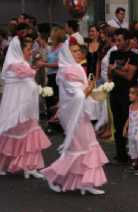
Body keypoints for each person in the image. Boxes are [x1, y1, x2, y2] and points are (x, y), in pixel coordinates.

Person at [41, 37, 109, 194]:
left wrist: (93, 91)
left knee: (87, 146)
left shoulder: (73, 67)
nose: (78, 53)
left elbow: (79, 94)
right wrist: (90, 89)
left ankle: (85, 183)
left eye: (79, 50)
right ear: (66, 53)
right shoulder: (68, 70)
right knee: (78, 149)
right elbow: (78, 95)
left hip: (79, 113)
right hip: (74, 115)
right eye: (74, 51)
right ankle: (52, 175)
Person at [0, 36, 51, 178]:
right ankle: (20, 166)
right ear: (19, 50)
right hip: (19, 108)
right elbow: (27, 75)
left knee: (28, 136)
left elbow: (28, 80)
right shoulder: (16, 65)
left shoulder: (20, 64)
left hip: (25, 107)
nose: (31, 51)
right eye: (28, 49)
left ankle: (29, 166)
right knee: (16, 135)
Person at [108, 28, 138, 163]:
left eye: (120, 40)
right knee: (118, 124)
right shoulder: (113, 54)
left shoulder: (134, 57)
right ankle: (121, 154)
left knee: (131, 124)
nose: (117, 43)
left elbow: (129, 76)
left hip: (128, 95)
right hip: (114, 92)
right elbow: (109, 74)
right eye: (115, 40)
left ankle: (135, 155)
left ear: (127, 41)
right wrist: (118, 70)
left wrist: (115, 69)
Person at [36, 26, 65, 127]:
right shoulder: (53, 47)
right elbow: (49, 60)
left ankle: (58, 123)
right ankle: (50, 123)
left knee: (55, 100)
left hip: (57, 76)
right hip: (50, 75)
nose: (50, 37)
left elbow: (60, 63)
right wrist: (41, 63)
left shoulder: (62, 47)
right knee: (49, 98)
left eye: (52, 35)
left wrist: (44, 64)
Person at [123, 87, 138, 175]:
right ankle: (135, 164)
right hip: (131, 130)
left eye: (132, 93)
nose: (129, 95)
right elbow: (129, 118)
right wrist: (125, 127)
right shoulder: (130, 106)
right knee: (132, 146)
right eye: (130, 93)